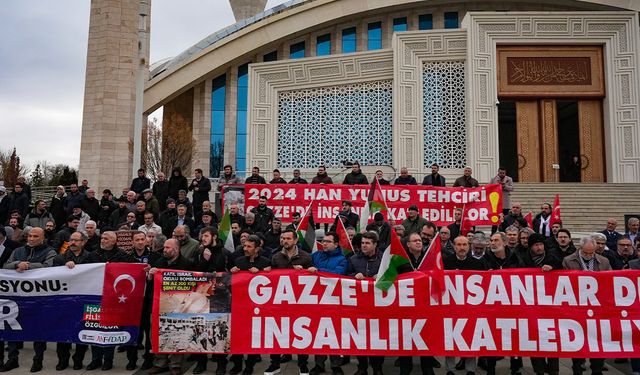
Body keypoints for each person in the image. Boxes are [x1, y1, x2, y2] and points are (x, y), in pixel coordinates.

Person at [2, 227, 56, 373]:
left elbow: (48, 267)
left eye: (35, 236)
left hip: (39, 299)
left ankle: (38, 360)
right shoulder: (18, 251)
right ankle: (12, 359)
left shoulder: (49, 251)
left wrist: (27, 266)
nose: (31, 239)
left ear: (43, 238)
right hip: (18, 298)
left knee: (38, 331)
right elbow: (6, 265)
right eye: (30, 236)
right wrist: (17, 264)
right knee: (12, 328)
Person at [266, 229, 313, 375]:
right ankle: (275, 364)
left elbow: (312, 279)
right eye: (283, 238)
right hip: (280, 302)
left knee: (301, 334)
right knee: (276, 332)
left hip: (300, 302)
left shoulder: (306, 257)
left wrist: (308, 270)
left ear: (295, 240)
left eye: (288, 238)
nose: (284, 241)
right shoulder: (276, 257)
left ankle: (302, 364)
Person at [147, 239, 196, 375]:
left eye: (168, 247)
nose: (164, 250)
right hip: (158, 305)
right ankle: (160, 362)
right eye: (164, 247)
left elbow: (193, 285)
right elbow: (150, 284)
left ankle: (175, 364)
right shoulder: (159, 262)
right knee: (156, 333)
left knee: (177, 333)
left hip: (178, 307)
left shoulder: (187, 264)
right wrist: (151, 275)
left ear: (176, 249)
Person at [562, 237, 610, 375]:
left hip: (598, 307)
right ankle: (577, 368)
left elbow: (611, 280)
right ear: (580, 249)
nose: (589, 256)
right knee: (577, 341)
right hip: (577, 307)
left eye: (591, 253)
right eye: (586, 253)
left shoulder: (604, 261)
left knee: (598, 341)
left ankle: (597, 369)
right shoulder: (568, 260)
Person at [85, 231, 132, 371]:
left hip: (113, 299)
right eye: (102, 238)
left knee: (109, 329)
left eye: (106, 239)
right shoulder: (92, 255)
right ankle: (95, 359)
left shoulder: (123, 256)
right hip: (95, 297)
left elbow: (131, 272)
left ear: (114, 241)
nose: (102, 240)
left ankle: (108, 360)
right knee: (94, 327)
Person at [229, 235, 271, 375]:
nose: (245, 249)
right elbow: (231, 283)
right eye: (244, 246)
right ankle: (237, 364)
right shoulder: (239, 261)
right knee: (238, 336)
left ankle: (249, 366)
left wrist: (264, 274)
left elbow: (271, 282)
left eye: (249, 247)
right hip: (240, 306)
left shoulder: (265, 262)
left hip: (257, 308)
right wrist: (232, 273)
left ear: (257, 248)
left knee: (253, 337)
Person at [308, 232, 348, 375]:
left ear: (336, 244)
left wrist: (318, 271)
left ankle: (335, 365)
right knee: (319, 334)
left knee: (333, 334)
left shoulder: (342, 259)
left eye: (328, 241)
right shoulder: (316, 255)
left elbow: (336, 275)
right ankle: (319, 364)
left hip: (334, 302)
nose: (324, 243)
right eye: (323, 241)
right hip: (317, 301)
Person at [397, 233, 437, 375]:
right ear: (408, 244)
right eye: (415, 240)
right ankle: (405, 368)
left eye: (420, 240)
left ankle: (427, 368)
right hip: (406, 307)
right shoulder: (400, 261)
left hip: (425, 307)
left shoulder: (428, 258)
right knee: (406, 339)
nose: (419, 242)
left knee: (426, 338)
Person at [53, 231, 91, 371]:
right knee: (62, 331)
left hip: (83, 299)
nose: (73, 243)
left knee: (82, 329)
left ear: (83, 242)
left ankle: (78, 359)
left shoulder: (90, 257)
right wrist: (64, 267)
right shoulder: (60, 258)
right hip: (64, 301)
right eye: (71, 240)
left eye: (76, 240)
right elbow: (53, 276)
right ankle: (62, 360)